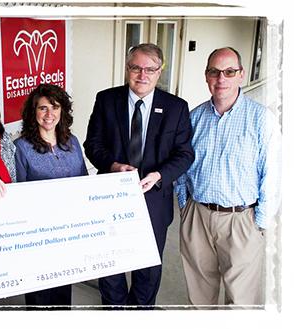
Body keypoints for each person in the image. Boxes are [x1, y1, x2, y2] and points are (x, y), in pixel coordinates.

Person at [83, 43, 194, 307]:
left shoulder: (176, 107)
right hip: (111, 197)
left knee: (148, 268)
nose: (142, 75)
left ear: (159, 72)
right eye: (136, 67)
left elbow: (184, 154)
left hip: (154, 199)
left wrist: (158, 175)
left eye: (150, 69)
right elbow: (92, 144)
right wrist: (113, 166)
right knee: (111, 265)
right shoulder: (106, 99)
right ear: (127, 68)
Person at [174, 47, 281, 306]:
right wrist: (184, 206)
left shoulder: (261, 119)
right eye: (214, 72)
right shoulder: (193, 118)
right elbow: (181, 165)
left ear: (241, 75)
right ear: (206, 76)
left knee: (241, 302)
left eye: (229, 72)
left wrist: (260, 223)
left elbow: (274, 174)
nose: (221, 79)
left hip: (241, 220)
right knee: (200, 297)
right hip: (198, 216)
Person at [14, 83, 88, 308]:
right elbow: (17, 194)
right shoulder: (21, 147)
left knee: (64, 288)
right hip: (38, 234)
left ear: (62, 111)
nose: (49, 114)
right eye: (42, 108)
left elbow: (84, 181)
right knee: (40, 293)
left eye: (55, 107)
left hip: (69, 228)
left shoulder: (72, 142)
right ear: (33, 112)